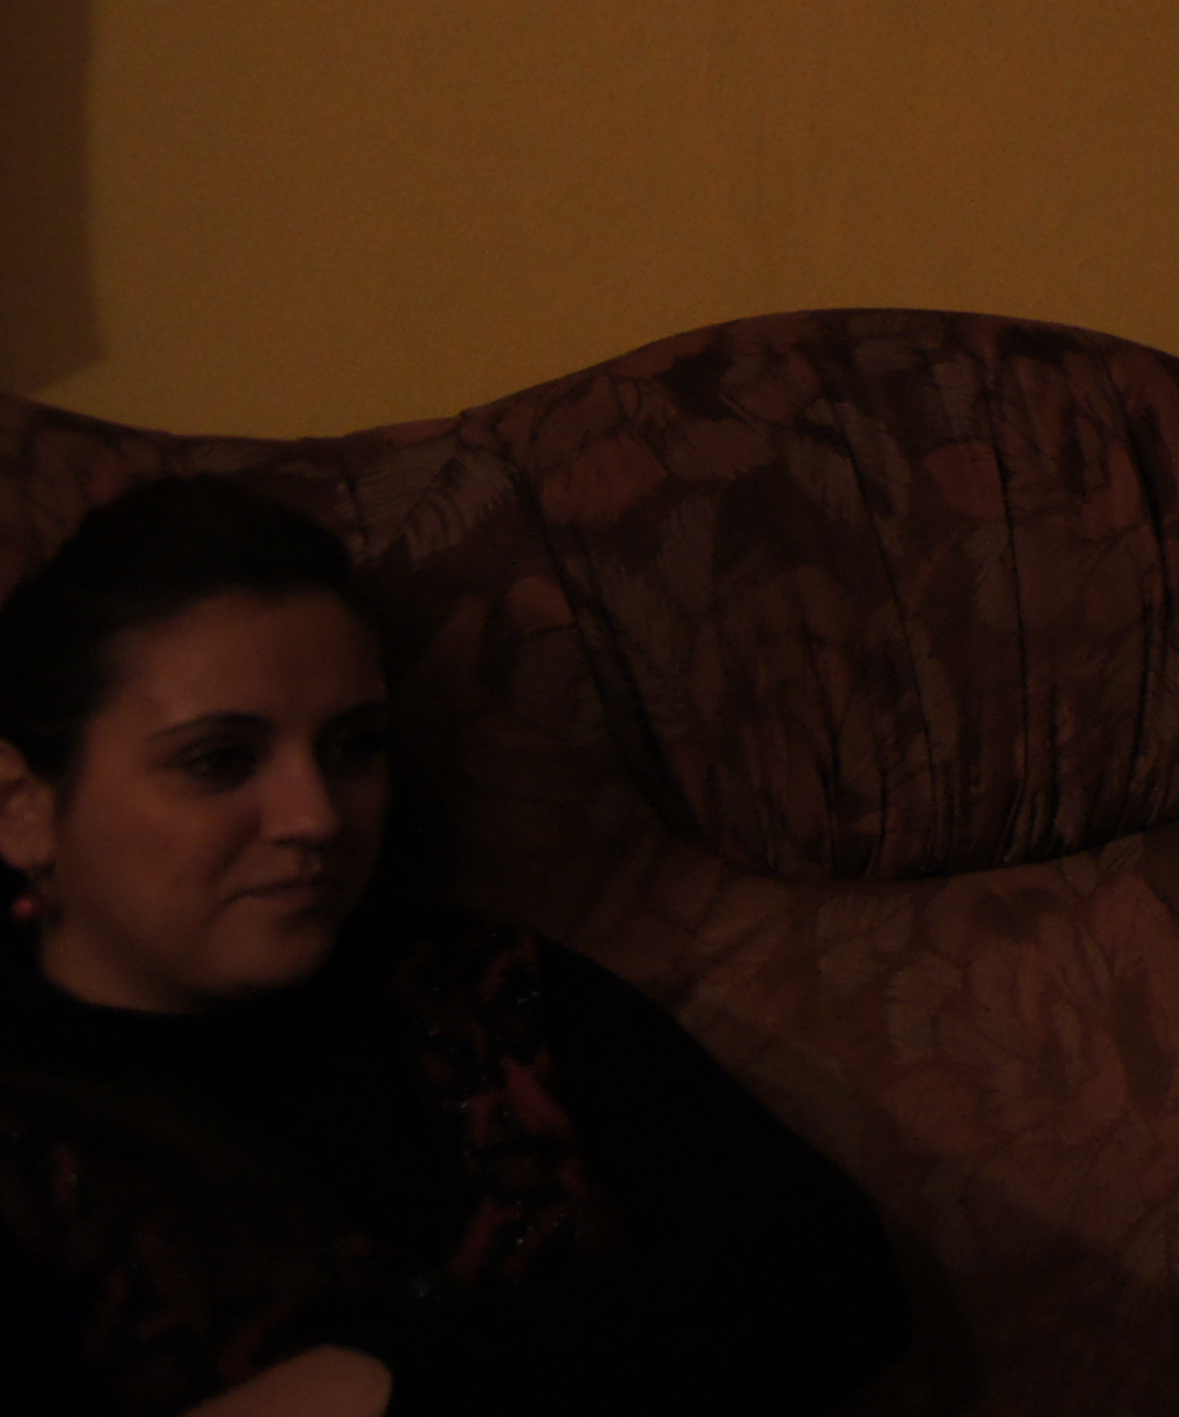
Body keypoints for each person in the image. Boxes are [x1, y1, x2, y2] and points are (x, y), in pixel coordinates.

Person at [0, 475, 910, 1417]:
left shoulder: (481, 996)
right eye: (220, 759)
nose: (317, 816)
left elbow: (833, 1279)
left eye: (355, 748)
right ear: (21, 809)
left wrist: (385, 1383)